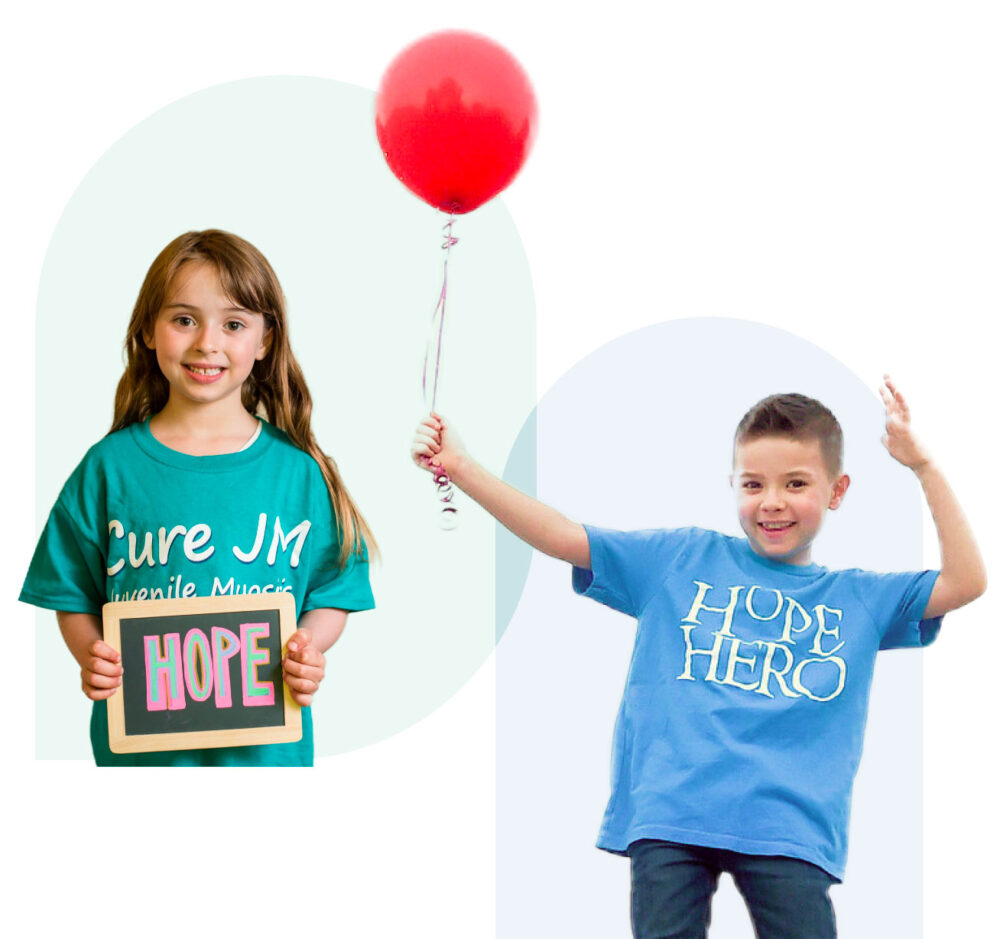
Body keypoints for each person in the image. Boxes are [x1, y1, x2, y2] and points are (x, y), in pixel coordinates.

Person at [411, 380, 985, 939]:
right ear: (733, 484)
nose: (773, 502)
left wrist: (923, 467)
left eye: (796, 483)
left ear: (837, 491)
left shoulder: (857, 598)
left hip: (788, 830)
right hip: (673, 814)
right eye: (753, 484)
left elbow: (967, 581)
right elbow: (563, 535)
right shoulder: (682, 557)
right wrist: (461, 468)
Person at [21, 229, 376, 767]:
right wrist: (91, 654)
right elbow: (72, 593)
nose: (207, 342)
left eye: (233, 324)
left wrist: (308, 646)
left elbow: (333, 587)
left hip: (267, 761)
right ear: (148, 330)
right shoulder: (108, 469)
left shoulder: (298, 474)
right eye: (184, 319)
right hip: (142, 763)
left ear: (264, 341)